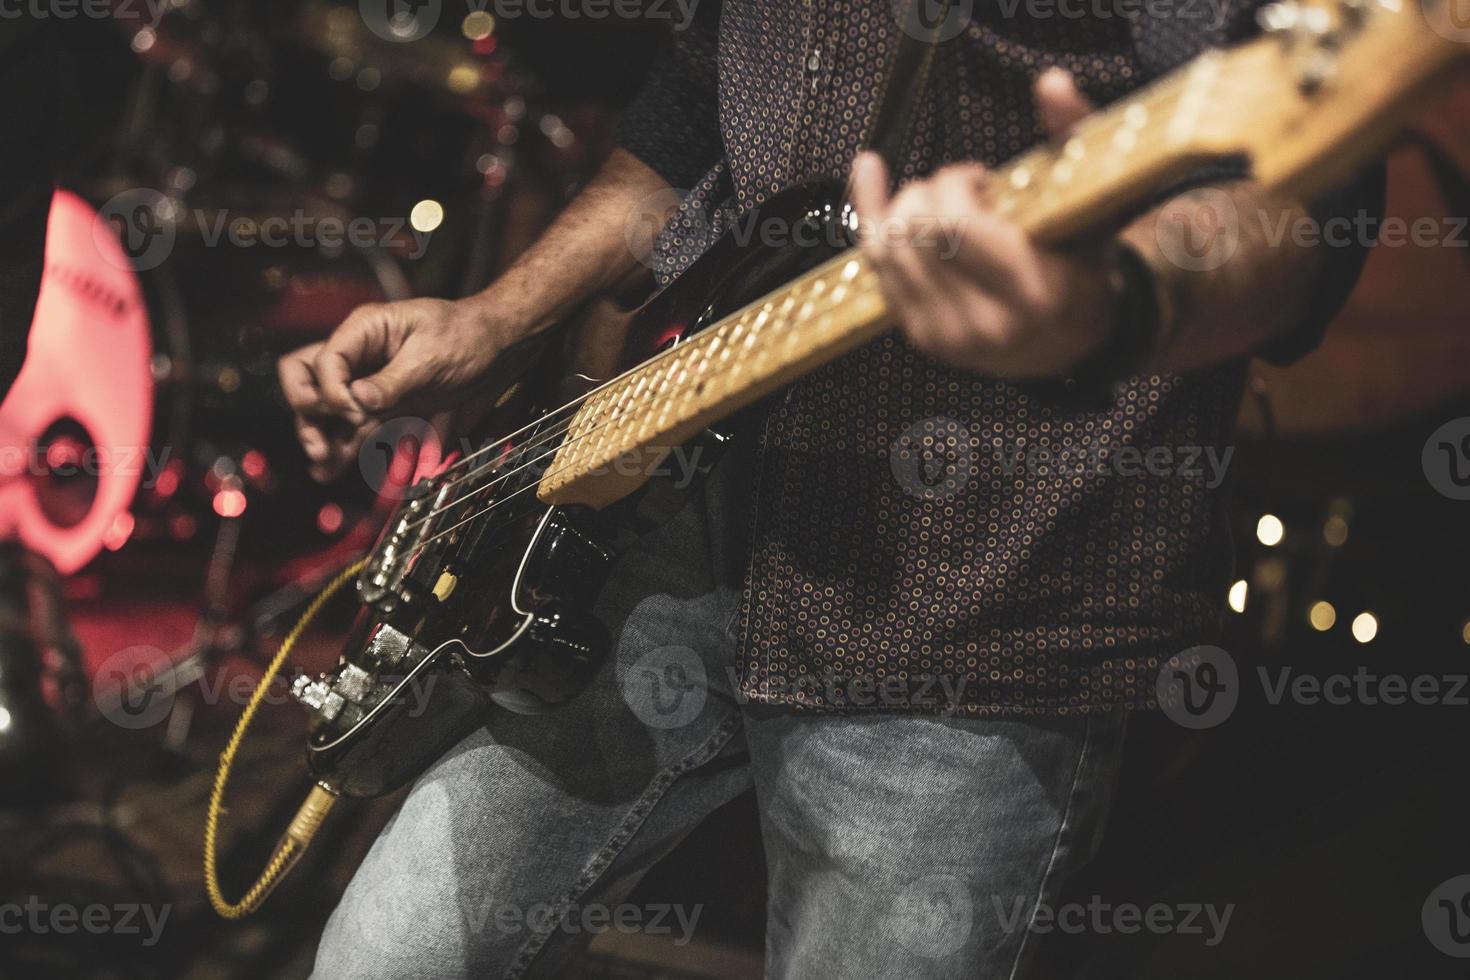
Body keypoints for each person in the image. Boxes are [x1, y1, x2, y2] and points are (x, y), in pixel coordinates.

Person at [284, 3, 1380, 976]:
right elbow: (690, 117)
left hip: (984, 598)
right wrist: (492, 318)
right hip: (672, 531)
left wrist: (1113, 299)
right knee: (388, 952)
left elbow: (1298, 204)